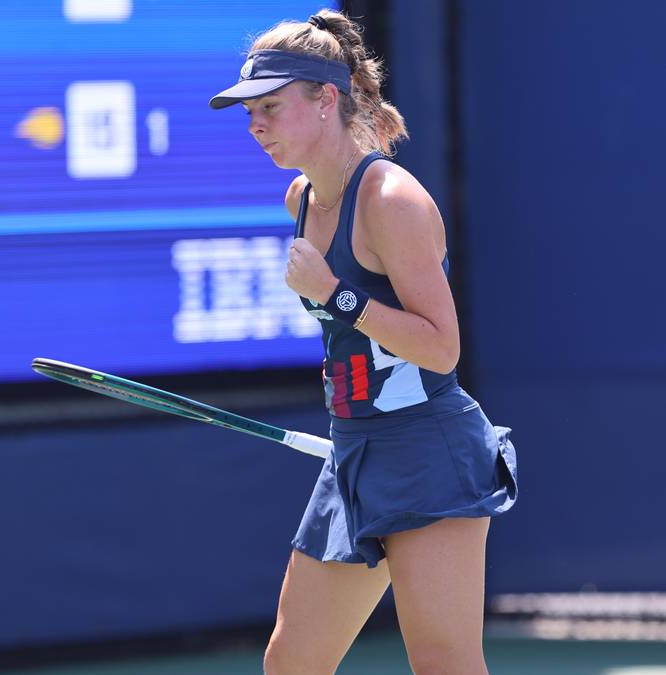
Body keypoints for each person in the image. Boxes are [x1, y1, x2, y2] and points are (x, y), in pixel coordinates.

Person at [210, 9, 519, 675]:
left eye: (269, 106)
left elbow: (441, 348)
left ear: (326, 100)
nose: (255, 125)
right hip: (354, 451)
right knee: (291, 661)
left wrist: (336, 293)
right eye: (249, 112)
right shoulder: (300, 196)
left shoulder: (391, 199)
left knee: (444, 664)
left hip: (429, 453)